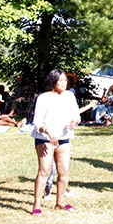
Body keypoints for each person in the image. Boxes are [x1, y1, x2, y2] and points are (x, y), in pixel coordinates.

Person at [30, 69, 81, 215]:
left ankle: (60, 202)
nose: (64, 83)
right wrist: (48, 132)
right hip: (45, 138)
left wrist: (75, 121)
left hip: (64, 137)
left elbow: (76, 115)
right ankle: (36, 205)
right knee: (44, 170)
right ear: (53, 81)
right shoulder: (43, 98)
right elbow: (37, 121)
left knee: (64, 171)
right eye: (61, 80)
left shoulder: (70, 96)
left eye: (65, 80)